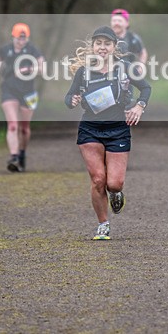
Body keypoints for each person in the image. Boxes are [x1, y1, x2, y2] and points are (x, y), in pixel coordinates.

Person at [64, 26, 151, 240]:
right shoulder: (83, 72)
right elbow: (69, 98)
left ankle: (116, 193)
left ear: (114, 47)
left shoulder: (125, 67)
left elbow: (146, 88)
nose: (102, 47)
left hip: (118, 129)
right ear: (93, 46)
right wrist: (72, 100)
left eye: (107, 43)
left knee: (114, 183)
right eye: (98, 43)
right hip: (90, 129)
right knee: (98, 180)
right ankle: (103, 224)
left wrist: (139, 106)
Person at [0, 23, 44, 172]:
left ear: (27, 38)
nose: (21, 41)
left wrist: (28, 70)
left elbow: (42, 69)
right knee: (13, 125)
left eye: (24, 38)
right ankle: (14, 157)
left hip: (28, 93)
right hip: (9, 90)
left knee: (24, 128)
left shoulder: (33, 50)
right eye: (18, 38)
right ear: (13, 37)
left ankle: (22, 153)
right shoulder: (5, 50)